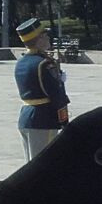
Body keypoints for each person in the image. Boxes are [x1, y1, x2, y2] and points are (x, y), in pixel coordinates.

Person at [14, 17, 70, 161]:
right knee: (45, 166)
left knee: (31, 166)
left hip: (26, 117)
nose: (48, 38)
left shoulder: (21, 62)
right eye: (45, 36)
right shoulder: (44, 64)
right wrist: (64, 122)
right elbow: (57, 96)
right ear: (39, 40)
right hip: (44, 120)